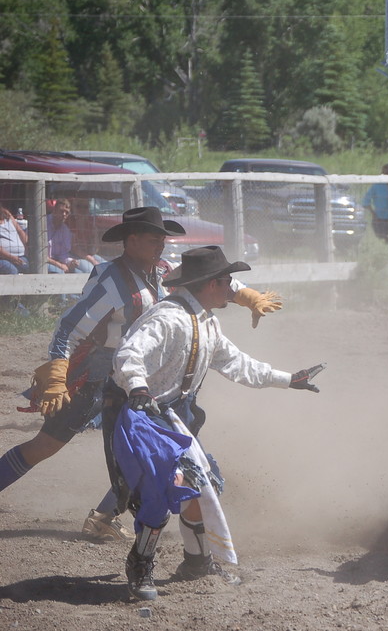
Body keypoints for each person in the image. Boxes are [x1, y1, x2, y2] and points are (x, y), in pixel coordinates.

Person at [0, 207, 282, 541]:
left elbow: (211, 277)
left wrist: (246, 295)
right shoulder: (110, 280)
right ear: (130, 241)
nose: (160, 245)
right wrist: (58, 374)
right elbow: (68, 329)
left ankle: (105, 516)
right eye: (153, 239)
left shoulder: (163, 271)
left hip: (143, 377)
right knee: (46, 445)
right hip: (96, 374)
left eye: (163, 239)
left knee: (148, 449)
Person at [105, 245, 323, 600]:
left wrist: (288, 379)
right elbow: (129, 353)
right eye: (226, 281)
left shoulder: (207, 322)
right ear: (208, 285)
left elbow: (239, 363)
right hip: (143, 416)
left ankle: (196, 563)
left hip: (172, 417)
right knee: (170, 487)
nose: (231, 288)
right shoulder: (167, 318)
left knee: (197, 486)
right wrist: (139, 388)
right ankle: (140, 564)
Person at [45, 199, 103, 275]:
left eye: (66, 212)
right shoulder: (45, 224)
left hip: (79, 256)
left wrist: (70, 262)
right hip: (45, 261)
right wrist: (61, 264)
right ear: (54, 210)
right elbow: (42, 256)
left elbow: (63, 254)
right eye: (61, 211)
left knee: (106, 265)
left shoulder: (65, 229)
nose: (64, 214)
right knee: (88, 270)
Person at [363, 164, 388, 242]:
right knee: (381, 239)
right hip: (379, 219)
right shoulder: (377, 186)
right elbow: (365, 201)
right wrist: (373, 213)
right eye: (386, 174)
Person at [0, 201, 29, 275]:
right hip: (3, 258)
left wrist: (28, 246)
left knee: (33, 266)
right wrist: (12, 258)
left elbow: (20, 231)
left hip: (21, 256)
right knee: (12, 270)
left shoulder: (8, 216)